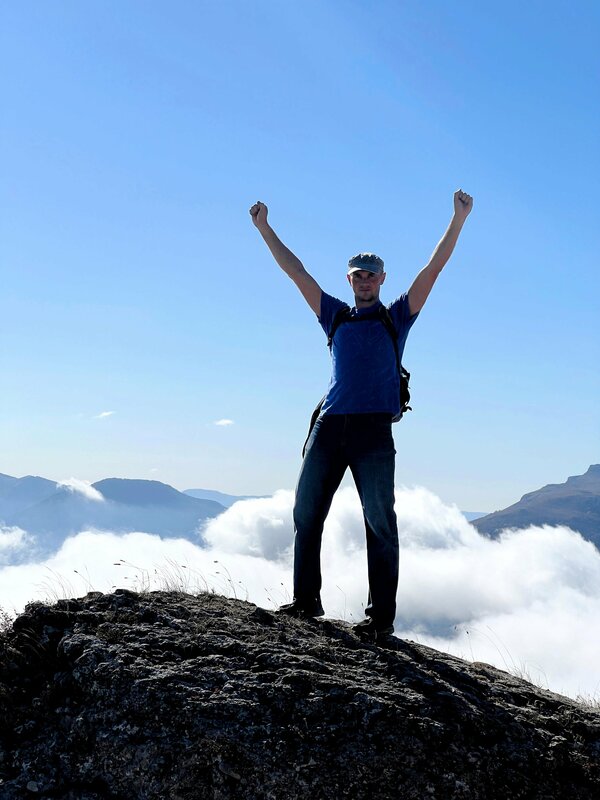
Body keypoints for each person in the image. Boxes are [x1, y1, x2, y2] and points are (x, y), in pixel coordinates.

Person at [249, 190, 473, 641]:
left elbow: (433, 269)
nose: (364, 281)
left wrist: (458, 219)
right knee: (305, 512)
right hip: (330, 425)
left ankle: (380, 618)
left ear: (382, 279)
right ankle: (306, 601)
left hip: (373, 431)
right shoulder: (334, 315)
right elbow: (296, 272)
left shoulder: (396, 317)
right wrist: (264, 229)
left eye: (371, 275)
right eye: (358, 275)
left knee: (379, 523)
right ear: (349, 279)